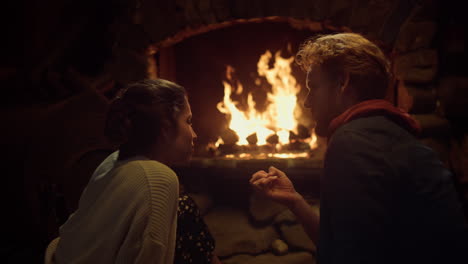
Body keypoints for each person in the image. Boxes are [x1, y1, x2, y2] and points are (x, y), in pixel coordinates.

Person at [250, 33, 468, 264]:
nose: (307, 101)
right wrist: (295, 201)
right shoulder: (389, 133)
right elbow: (343, 247)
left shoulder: (353, 142)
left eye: (313, 87)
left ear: (342, 82)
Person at [45, 79, 219, 263]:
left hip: (59, 256)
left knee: (183, 210)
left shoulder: (112, 161)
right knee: (185, 210)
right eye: (188, 121)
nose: (194, 134)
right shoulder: (159, 179)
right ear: (165, 128)